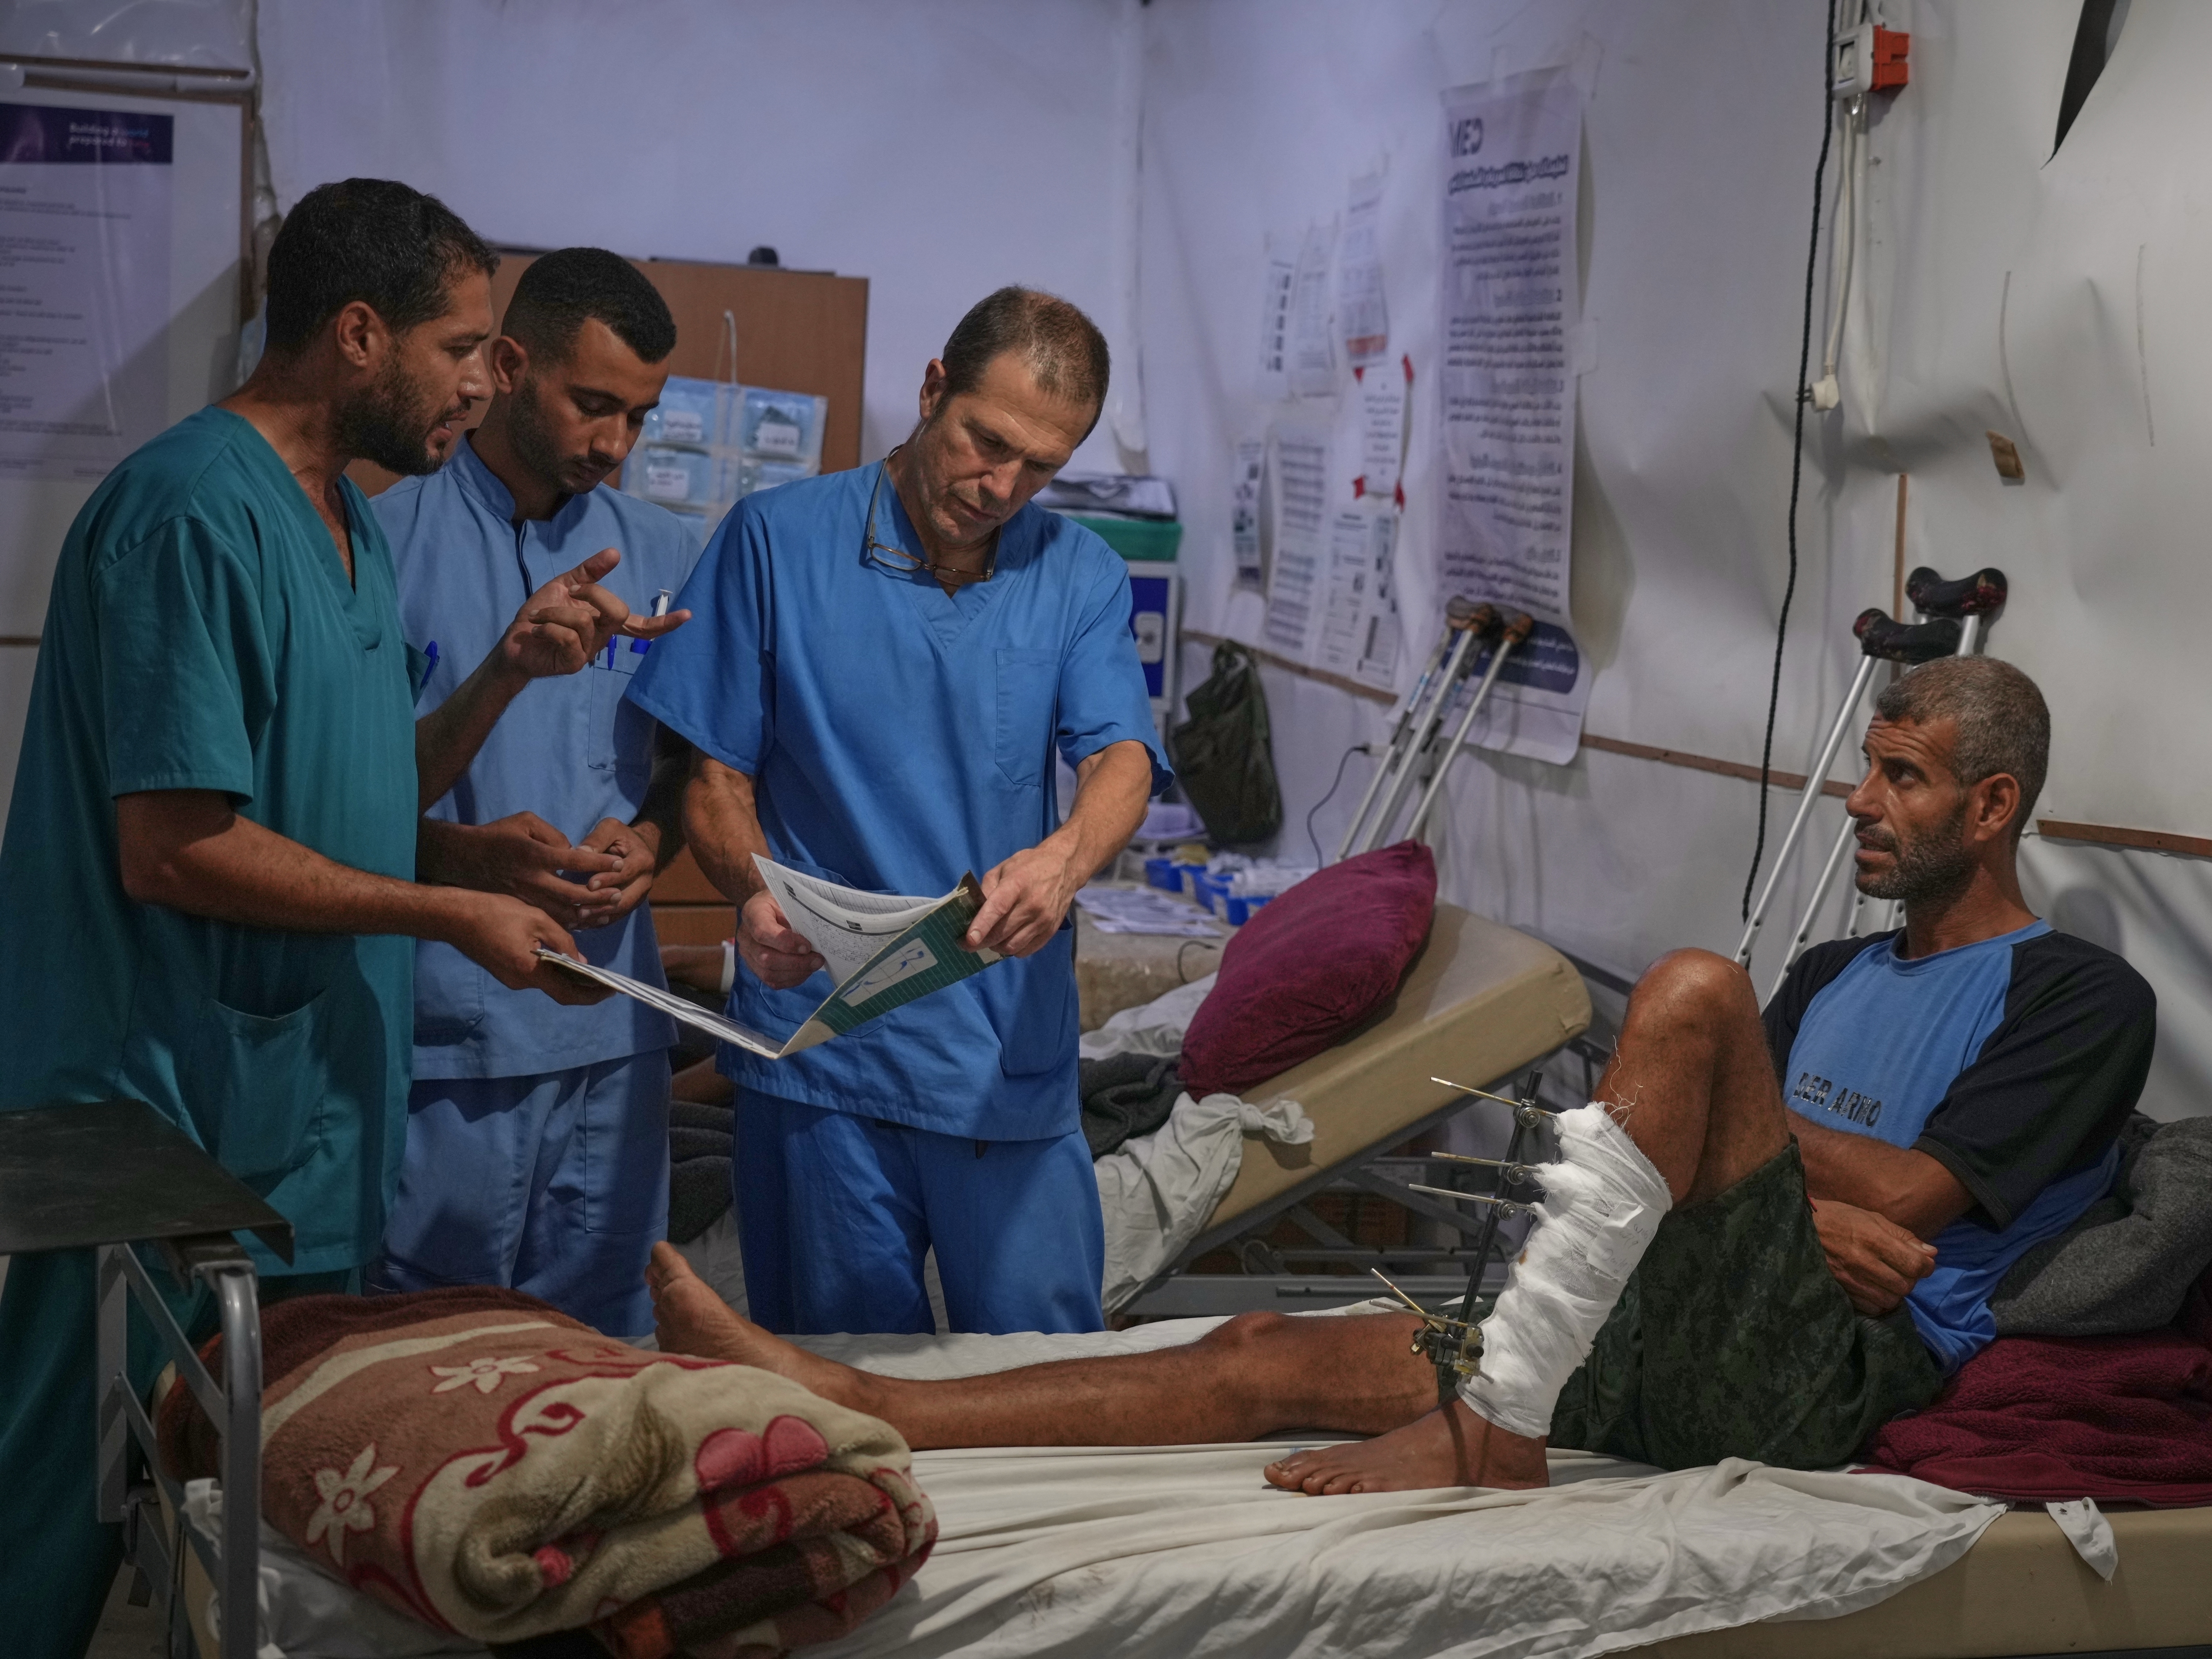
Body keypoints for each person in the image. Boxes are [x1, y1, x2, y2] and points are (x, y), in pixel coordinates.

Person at [646, 656, 2156, 1492]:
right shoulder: (1837, 971)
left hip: (1836, 1370)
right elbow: (1747, 1176)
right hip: (1682, 1312)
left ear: (1995, 802)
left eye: (1900, 779)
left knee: (1691, 996)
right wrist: (1719, 1168)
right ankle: (848, 1393)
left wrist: (1712, 1145)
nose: (1857, 804)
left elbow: (1903, 1201)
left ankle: (1487, 1435)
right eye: (1865, 768)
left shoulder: (2075, 996)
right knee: (1251, 1349)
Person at [0, 179, 681, 1653]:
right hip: (147, 1108)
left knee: (239, 1515)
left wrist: (476, 823)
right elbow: (177, 846)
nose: (485, 380)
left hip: (287, 1108)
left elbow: (340, 801)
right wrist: (443, 911)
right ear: (358, 335)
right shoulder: (194, 513)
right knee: (57, 1499)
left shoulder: (350, 527)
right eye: (464, 348)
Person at [628, 287, 1168, 1337]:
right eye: (986, 441)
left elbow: (1122, 759)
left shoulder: (1079, 576)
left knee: (1049, 1384)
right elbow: (713, 779)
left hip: (1000, 1059)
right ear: (933, 391)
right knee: (847, 1393)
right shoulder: (777, 544)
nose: (1002, 486)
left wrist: (1063, 860)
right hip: (827, 1054)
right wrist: (755, 888)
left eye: (1041, 468)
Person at [369, 248, 699, 1341]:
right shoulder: (381, 542)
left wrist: (654, 838)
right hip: (446, 1045)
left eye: (639, 417)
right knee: (430, 1358)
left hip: (613, 1034)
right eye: (592, 405)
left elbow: (688, 762)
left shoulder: (665, 554)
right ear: (511, 366)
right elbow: (333, 812)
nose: (614, 444)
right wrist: (464, 856)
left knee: (607, 1365)